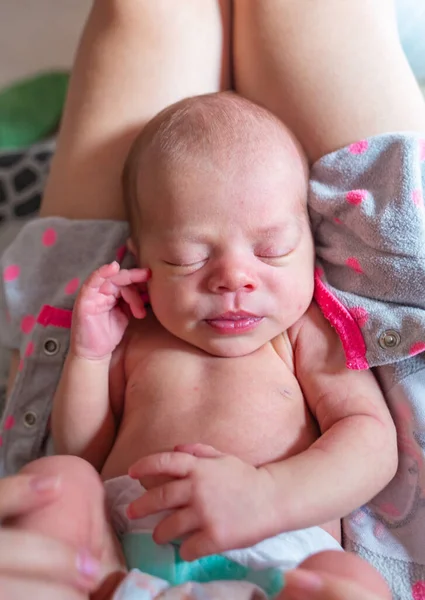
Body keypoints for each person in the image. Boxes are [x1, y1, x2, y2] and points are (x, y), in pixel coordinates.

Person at [1, 0, 424, 598]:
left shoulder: (300, 328)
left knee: (349, 578)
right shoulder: (142, 330)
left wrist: (270, 496)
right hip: (124, 554)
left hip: (276, 542)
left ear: (312, 247)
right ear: (139, 263)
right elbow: (85, 450)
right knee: (64, 478)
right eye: (187, 259)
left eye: (273, 249)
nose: (233, 280)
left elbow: (369, 441)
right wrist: (89, 358)